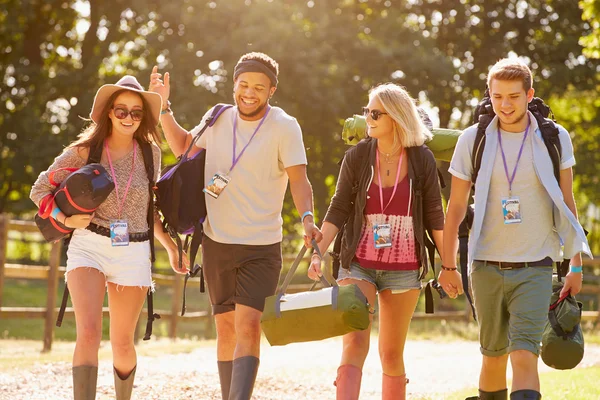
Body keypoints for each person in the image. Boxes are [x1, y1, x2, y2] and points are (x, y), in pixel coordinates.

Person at [150, 52, 322, 400]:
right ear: (234, 85)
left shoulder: (284, 126)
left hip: (261, 247)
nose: (249, 93)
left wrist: (307, 217)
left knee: (249, 326)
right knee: (225, 329)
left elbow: (299, 180)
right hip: (216, 242)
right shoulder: (217, 118)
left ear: (271, 90)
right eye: (243, 84)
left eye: (259, 87)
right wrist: (164, 108)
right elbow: (184, 146)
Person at [30, 76, 190, 400]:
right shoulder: (84, 151)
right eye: (121, 110)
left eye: (135, 112)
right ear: (108, 112)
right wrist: (65, 218)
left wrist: (172, 248)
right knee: (88, 333)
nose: (128, 118)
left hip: (134, 250)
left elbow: (150, 209)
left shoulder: (151, 154)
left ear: (143, 117)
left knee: (121, 344)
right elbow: (40, 189)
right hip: (89, 245)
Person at [441, 58, 592, 400]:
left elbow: (567, 204)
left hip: (536, 267)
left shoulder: (553, 138)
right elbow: (455, 208)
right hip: (485, 266)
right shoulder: (472, 140)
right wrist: (448, 265)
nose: (505, 105)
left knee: (524, 354)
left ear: (529, 95)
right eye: (497, 97)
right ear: (489, 96)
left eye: (513, 96)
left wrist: (576, 263)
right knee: (492, 358)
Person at [308, 83, 447, 400]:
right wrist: (318, 253)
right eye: (366, 111)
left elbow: (436, 217)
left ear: (396, 117)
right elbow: (339, 207)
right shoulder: (357, 156)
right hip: (357, 262)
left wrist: (449, 265)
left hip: (405, 267)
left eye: (374, 113)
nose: (367, 118)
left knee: (391, 353)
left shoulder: (421, 160)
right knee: (355, 342)